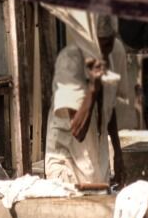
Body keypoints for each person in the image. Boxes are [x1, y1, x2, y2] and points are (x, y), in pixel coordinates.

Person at [45, 15, 124, 186]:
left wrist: (118, 152)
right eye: (98, 45)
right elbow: (78, 131)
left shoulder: (115, 52)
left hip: (96, 160)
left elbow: (110, 108)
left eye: (108, 44)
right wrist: (93, 88)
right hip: (67, 164)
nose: (103, 52)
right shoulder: (69, 61)